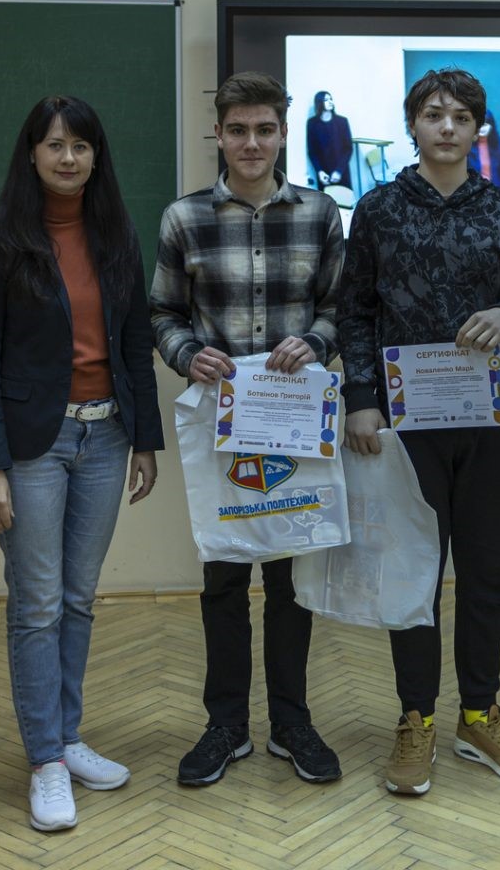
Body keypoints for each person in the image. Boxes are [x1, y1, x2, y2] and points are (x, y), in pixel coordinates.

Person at [338, 68, 500, 795]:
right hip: (406, 426)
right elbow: (355, 310)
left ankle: (478, 714)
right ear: (413, 125)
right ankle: (416, 718)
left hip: (490, 421)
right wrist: (360, 397)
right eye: (434, 114)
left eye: (461, 115)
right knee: (413, 571)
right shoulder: (378, 210)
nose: (448, 126)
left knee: (490, 567)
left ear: (478, 127)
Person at [0, 95, 164, 832]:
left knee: (77, 599)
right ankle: (45, 759)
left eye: (81, 145)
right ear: (32, 153)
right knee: (37, 603)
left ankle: (68, 737)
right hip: (32, 448)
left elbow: (134, 340)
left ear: (96, 155)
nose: (69, 157)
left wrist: (145, 440)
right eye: (55, 145)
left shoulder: (117, 233)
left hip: (106, 438)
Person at [150, 71, 344, 788]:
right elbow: (162, 313)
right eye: (238, 130)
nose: (252, 143)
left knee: (293, 581)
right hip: (222, 426)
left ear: (284, 132)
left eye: (265, 129)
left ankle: (291, 724)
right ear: (220, 135)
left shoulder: (320, 213)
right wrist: (184, 354)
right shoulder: (184, 218)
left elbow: (339, 307)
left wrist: (315, 342)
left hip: (293, 423)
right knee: (224, 578)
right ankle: (226, 727)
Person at [306, 90, 353, 189]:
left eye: (331, 99)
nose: (330, 102)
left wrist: (339, 171)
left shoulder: (342, 121)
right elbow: (312, 152)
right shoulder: (312, 123)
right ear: (319, 103)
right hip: (324, 175)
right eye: (326, 100)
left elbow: (348, 149)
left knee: (345, 197)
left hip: (342, 172)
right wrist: (320, 172)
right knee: (326, 198)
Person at [467, 107, 500, 189]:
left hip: (494, 190)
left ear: (491, 125)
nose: (482, 129)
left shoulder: (499, 144)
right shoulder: (467, 144)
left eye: (485, 125)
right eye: (479, 125)